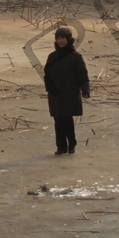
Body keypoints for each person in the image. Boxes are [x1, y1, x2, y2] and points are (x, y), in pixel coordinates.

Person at [42, 27, 90, 155]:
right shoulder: (52, 57)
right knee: (58, 121)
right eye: (58, 38)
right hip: (55, 94)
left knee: (67, 120)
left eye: (63, 38)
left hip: (70, 94)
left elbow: (82, 75)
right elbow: (47, 75)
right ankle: (61, 147)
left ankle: (71, 144)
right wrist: (50, 89)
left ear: (69, 39)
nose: (60, 41)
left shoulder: (75, 57)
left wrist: (85, 90)